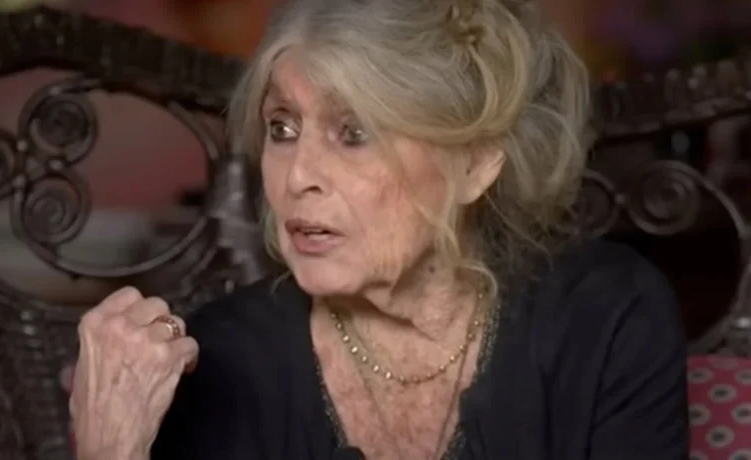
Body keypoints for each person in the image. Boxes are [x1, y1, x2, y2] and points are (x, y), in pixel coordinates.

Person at [68, 0, 690, 458]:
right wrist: (109, 451)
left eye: (354, 133)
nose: (297, 176)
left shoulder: (605, 319)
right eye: (283, 128)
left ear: (476, 164)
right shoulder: (220, 358)